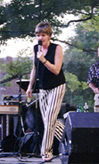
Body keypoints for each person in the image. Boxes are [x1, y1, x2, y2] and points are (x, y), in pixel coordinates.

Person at [26, 22, 66, 161]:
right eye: (38, 35)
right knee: (49, 121)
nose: (40, 38)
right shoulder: (35, 48)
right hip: (43, 88)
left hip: (57, 86)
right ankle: (69, 137)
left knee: (49, 120)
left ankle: (46, 152)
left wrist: (43, 60)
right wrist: (30, 86)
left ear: (49, 36)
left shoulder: (57, 48)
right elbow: (34, 68)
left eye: (43, 35)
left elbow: (56, 70)